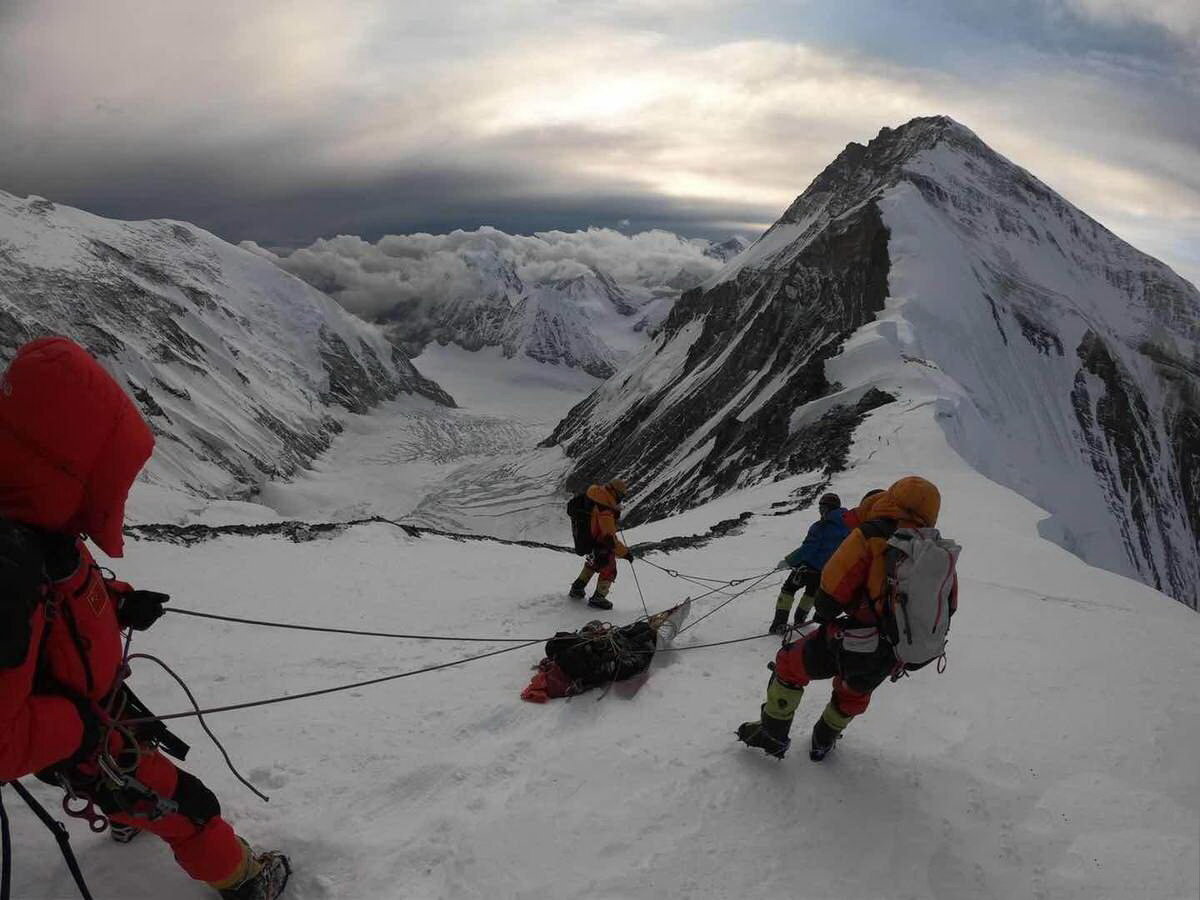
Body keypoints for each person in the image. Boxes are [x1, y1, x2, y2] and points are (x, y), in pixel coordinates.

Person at [0, 337, 290, 899]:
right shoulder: (7, 572)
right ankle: (246, 880)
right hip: (85, 740)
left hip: (96, 717)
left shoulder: (26, 524)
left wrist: (119, 600)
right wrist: (79, 728)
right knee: (188, 807)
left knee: (139, 781)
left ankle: (127, 809)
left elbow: (63, 587)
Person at [738, 476, 955, 762]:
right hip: (897, 651)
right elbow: (949, 607)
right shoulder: (937, 552)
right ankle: (822, 742)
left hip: (851, 639)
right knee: (854, 691)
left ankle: (773, 733)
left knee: (790, 663)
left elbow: (829, 595)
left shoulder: (872, 534)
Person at [770, 492, 849, 634]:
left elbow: (808, 549)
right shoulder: (848, 525)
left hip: (807, 567)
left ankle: (779, 624)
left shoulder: (821, 526)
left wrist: (788, 561)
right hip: (827, 570)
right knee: (811, 593)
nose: (820, 510)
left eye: (822, 507)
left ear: (826, 509)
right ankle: (800, 620)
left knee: (788, 590)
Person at [567, 479, 635, 610]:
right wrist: (625, 553)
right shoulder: (605, 509)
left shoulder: (595, 496)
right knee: (609, 569)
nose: (620, 499)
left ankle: (577, 589)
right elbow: (609, 538)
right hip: (600, 543)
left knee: (592, 564)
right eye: (620, 496)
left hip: (590, 541)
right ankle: (599, 597)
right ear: (614, 492)